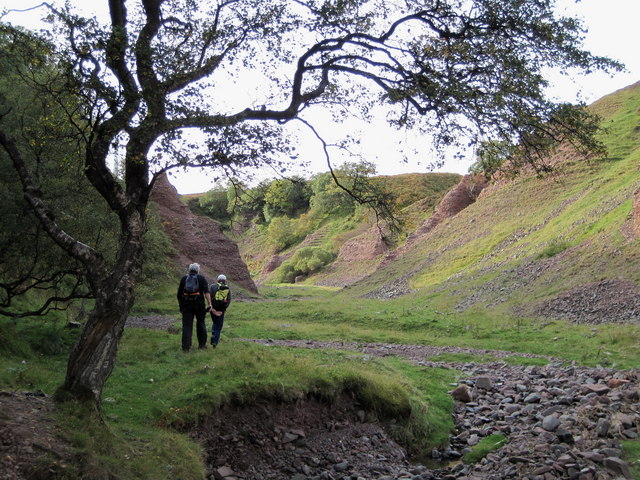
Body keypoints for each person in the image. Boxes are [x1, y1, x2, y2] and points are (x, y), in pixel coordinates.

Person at [177, 263, 212, 352]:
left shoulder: (184, 278)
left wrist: (181, 306)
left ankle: (186, 347)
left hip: (186, 305)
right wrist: (209, 304)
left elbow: (179, 294)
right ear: (198, 270)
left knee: (187, 325)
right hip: (199, 305)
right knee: (201, 324)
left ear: (189, 270)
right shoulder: (201, 278)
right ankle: (202, 345)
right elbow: (207, 292)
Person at [209, 274, 231, 348]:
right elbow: (228, 300)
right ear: (225, 281)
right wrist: (223, 310)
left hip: (213, 309)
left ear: (217, 280)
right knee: (219, 326)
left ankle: (213, 333)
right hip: (221, 310)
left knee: (215, 322)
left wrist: (212, 308)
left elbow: (209, 297)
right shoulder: (227, 288)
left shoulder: (212, 286)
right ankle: (215, 342)